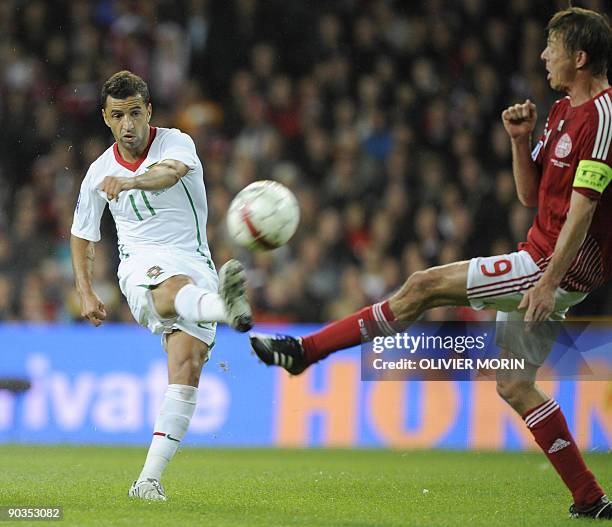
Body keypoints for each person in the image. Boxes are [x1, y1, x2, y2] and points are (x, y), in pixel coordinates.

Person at [250, 7, 612, 519]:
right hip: (543, 257)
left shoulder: (602, 115)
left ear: (579, 56)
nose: (542, 55)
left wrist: (549, 281)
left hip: (552, 264)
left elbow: (584, 207)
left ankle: (308, 350)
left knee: (423, 284)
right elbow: (531, 197)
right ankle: (590, 496)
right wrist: (518, 141)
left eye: (551, 47)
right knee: (513, 383)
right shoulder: (557, 113)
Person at [71, 70, 252, 501]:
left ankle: (147, 480)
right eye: (119, 116)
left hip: (195, 260)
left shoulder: (176, 143)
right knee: (170, 291)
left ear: (149, 110)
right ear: (106, 118)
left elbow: (169, 174)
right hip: (140, 264)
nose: (129, 124)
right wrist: (85, 290)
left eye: (136, 112)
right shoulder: (99, 171)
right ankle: (223, 308)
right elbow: (82, 232)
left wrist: (131, 180)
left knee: (187, 366)